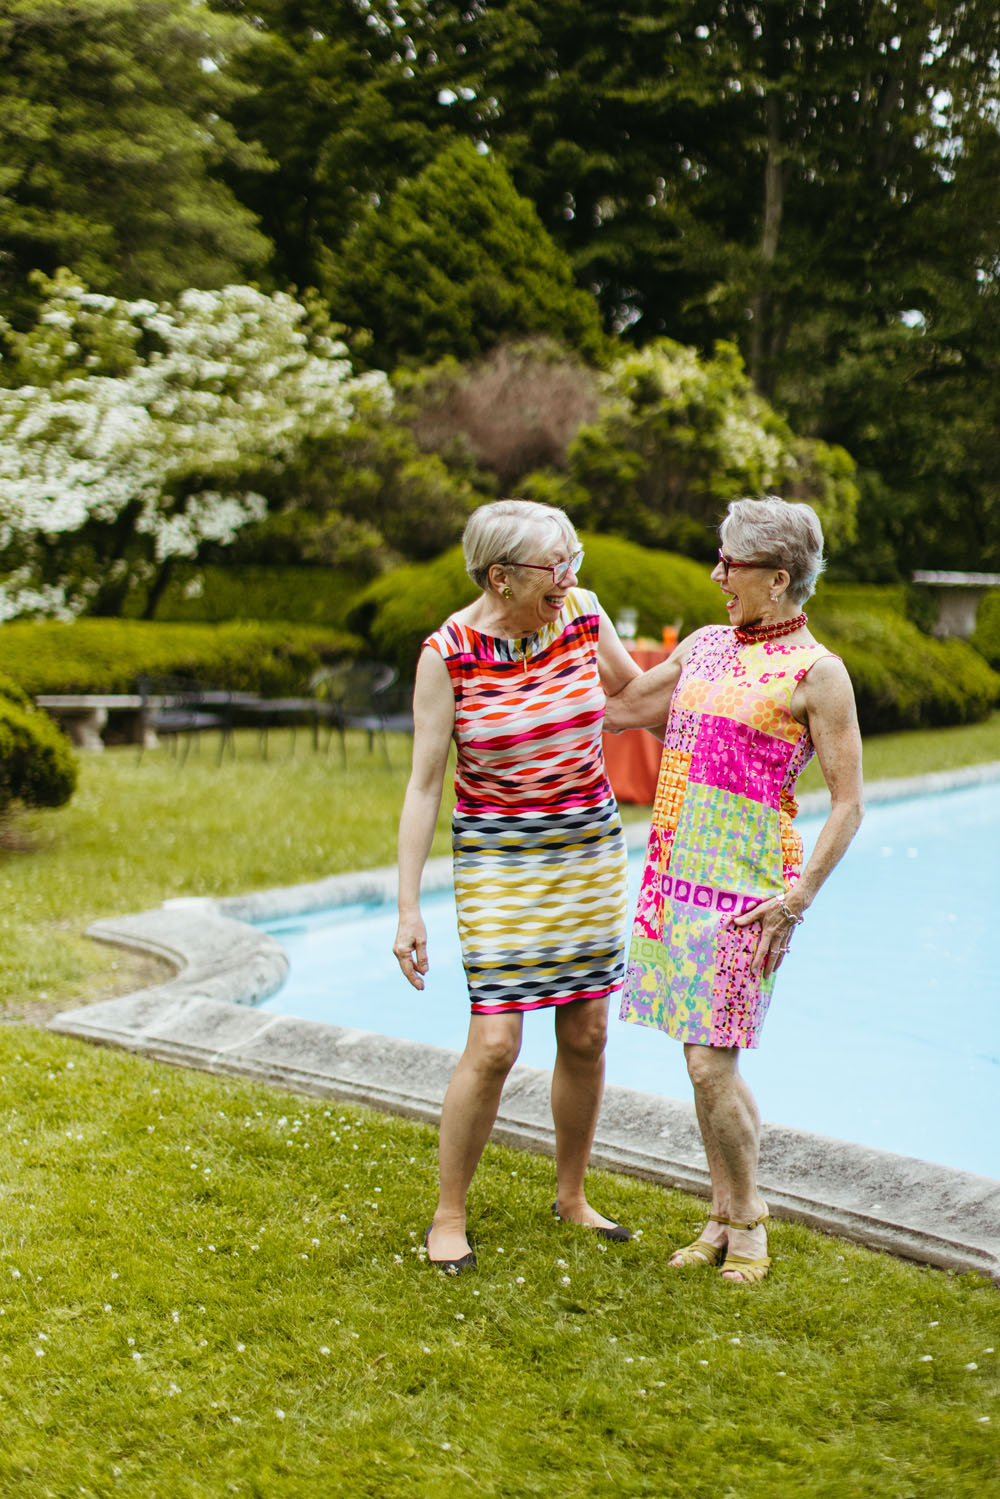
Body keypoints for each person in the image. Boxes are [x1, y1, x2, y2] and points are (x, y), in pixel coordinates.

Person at [604, 495, 864, 1284]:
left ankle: (748, 1221)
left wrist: (798, 899)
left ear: (778, 577)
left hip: (749, 896)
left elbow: (849, 805)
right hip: (675, 878)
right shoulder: (708, 645)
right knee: (699, 1062)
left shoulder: (818, 674)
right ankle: (722, 1212)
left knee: (712, 1065)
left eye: (730, 562)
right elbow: (622, 709)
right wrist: (578, 615)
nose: (717, 573)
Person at [393, 499, 642, 1273]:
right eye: (553, 565)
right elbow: (425, 784)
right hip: (501, 860)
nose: (568, 577)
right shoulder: (448, 653)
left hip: (587, 850)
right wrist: (409, 907)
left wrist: (723, 688)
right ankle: (448, 1213)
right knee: (496, 1041)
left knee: (588, 1032)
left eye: (573, 559)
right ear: (501, 577)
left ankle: (571, 1195)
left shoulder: (582, 614)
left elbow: (636, 701)